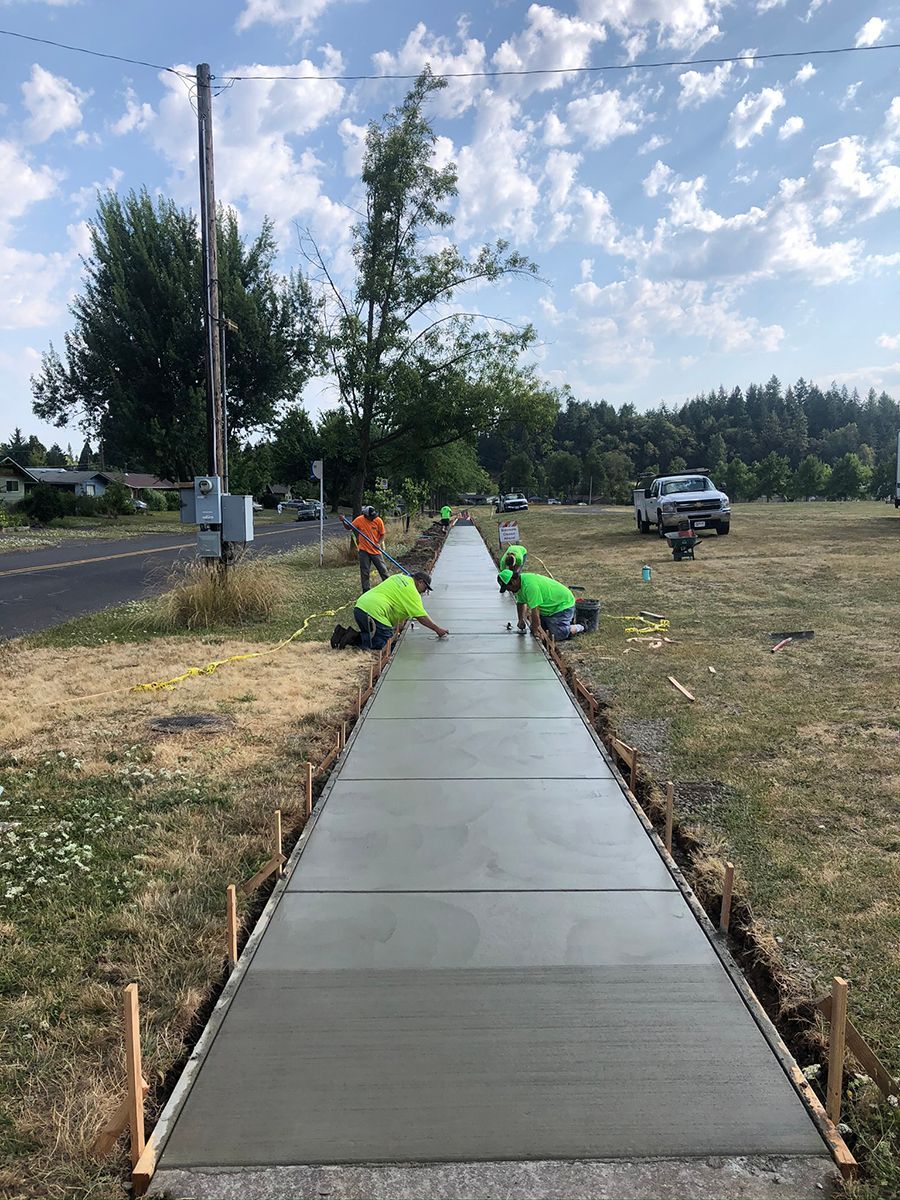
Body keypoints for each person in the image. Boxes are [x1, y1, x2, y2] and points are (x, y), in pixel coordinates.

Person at [332, 572, 449, 649]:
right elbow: (421, 617)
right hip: (374, 612)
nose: (424, 591)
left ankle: (343, 634)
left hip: (360, 607)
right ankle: (351, 638)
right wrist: (437, 629)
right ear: (420, 582)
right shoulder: (412, 592)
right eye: (425, 588)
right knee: (385, 644)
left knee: (369, 637)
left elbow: (397, 604)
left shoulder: (398, 577)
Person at [497, 568, 584, 641]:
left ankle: (581, 626)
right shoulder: (518, 586)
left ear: (513, 581)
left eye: (508, 587)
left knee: (558, 634)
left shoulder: (530, 586)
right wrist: (520, 620)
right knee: (537, 629)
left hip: (561, 606)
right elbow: (520, 603)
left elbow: (535, 611)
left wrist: (536, 631)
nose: (509, 590)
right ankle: (563, 623)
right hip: (547, 610)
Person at [351, 505, 389, 591]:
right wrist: (343, 521)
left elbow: (382, 534)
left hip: (375, 550)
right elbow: (349, 527)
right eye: (371, 517)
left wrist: (378, 543)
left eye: (374, 516)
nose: (373, 518)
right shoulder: (359, 520)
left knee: (383, 570)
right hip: (364, 551)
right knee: (365, 572)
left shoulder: (378, 520)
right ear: (365, 515)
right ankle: (366, 590)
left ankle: (389, 588)